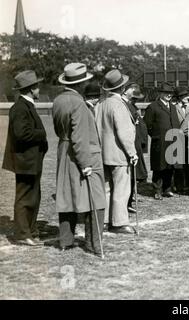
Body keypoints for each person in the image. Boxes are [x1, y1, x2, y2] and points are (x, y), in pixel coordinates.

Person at [52, 63, 106, 253]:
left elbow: (61, 131)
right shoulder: (79, 104)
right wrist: (86, 164)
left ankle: (65, 241)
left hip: (63, 151)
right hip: (82, 155)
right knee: (97, 200)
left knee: (67, 196)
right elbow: (80, 137)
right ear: (81, 84)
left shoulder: (58, 100)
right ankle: (94, 244)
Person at [2, 70, 48, 246]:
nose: (38, 88)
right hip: (25, 161)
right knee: (24, 198)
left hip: (31, 160)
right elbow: (22, 135)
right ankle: (22, 234)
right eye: (36, 86)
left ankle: (29, 230)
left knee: (33, 196)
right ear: (31, 89)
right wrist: (41, 134)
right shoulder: (20, 108)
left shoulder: (25, 106)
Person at [95, 69, 138, 234]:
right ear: (122, 87)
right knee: (121, 188)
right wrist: (132, 153)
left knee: (106, 188)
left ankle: (105, 220)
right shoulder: (119, 104)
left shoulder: (100, 103)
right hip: (119, 154)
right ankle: (119, 222)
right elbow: (124, 133)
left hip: (102, 153)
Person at [145, 82, 181, 200]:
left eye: (170, 93)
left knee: (170, 166)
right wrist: (156, 136)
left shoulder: (173, 107)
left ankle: (167, 189)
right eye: (166, 93)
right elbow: (147, 125)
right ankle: (157, 190)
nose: (168, 95)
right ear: (160, 93)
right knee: (159, 167)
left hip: (173, 140)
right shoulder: (153, 107)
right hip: (160, 142)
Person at [122, 83, 148, 213]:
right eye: (134, 98)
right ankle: (125, 203)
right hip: (129, 144)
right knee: (129, 175)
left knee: (134, 176)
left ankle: (129, 200)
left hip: (136, 143)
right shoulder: (124, 106)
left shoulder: (133, 106)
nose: (136, 100)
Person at [173, 87, 189, 194]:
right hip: (179, 138)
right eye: (185, 96)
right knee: (179, 164)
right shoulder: (174, 108)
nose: (187, 97)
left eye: (187, 95)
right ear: (179, 98)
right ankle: (179, 186)